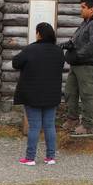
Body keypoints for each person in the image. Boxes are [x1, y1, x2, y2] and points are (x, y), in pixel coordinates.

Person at [12, 22, 64, 166]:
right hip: (51, 94)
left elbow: (16, 63)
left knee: (34, 126)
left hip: (32, 94)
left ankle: (30, 158)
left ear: (39, 34)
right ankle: (51, 157)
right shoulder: (58, 51)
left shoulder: (30, 49)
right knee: (49, 126)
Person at [60, 0, 93, 135]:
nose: (80, 10)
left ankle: (88, 125)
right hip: (78, 64)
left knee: (87, 95)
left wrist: (77, 55)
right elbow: (79, 40)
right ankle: (72, 119)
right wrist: (69, 44)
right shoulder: (86, 22)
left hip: (88, 65)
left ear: (91, 9)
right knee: (70, 91)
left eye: (83, 7)